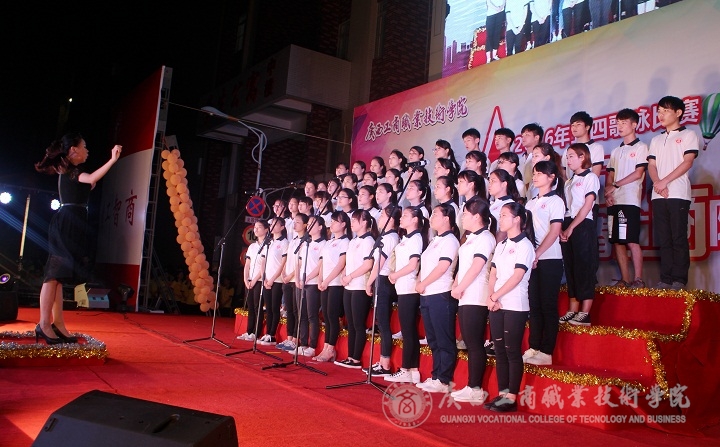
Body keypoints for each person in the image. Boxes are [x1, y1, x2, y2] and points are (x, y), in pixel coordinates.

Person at [34, 133, 121, 344]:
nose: (87, 150)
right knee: (53, 275)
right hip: (66, 223)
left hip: (73, 223)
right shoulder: (70, 170)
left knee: (59, 276)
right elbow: (90, 179)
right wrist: (112, 160)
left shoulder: (70, 171)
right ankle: (44, 324)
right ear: (73, 150)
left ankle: (58, 323)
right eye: (84, 146)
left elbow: (87, 183)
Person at [484, 202, 536, 412]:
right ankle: (502, 393)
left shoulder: (525, 245)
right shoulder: (501, 245)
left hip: (515, 304)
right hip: (496, 303)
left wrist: (496, 296)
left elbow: (517, 276)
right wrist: (491, 297)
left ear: (517, 219)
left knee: (512, 350)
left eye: (505, 215)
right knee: (499, 350)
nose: (501, 219)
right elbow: (493, 274)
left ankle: (511, 397)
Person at [647, 96, 699, 290]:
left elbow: (687, 162)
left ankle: (679, 279)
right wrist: (657, 183)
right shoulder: (656, 139)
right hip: (658, 194)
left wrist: (665, 181)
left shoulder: (688, 135)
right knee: (664, 239)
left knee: (678, 237)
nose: (661, 115)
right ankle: (666, 278)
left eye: (665, 111)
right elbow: (651, 165)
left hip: (677, 193)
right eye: (659, 111)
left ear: (678, 113)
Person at [450, 196, 497, 403]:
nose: (462, 218)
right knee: (469, 342)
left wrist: (460, 287)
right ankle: (471, 385)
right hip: (465, 294)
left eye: (465, 214)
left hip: (476, 294)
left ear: (477, 216)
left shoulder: (485, 237)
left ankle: (476, 388)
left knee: (474, 343)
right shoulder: (470, 238)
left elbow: (477, 266)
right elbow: (463, 266)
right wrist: (456, 284)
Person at [523, 161, 566, 366]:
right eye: (534, 173)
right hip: (532, 260)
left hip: (550, 259)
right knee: (534, 305)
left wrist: (537, 253)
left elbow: (555, 231)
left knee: (548, 305)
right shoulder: (530, 203)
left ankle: (547, 351)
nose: (535, 177)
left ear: (551, 177)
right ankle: (534, 346)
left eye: (540, 173)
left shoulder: (556, 201)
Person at [415, 204, 461, 393]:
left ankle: (444, 379)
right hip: (427, 293)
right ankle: (435, 375)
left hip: (440, 293)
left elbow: (443, 267)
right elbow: (425, 264)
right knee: (433, 339)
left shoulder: (450, 240)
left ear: (447, 218)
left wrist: (423, 283)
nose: (431, 218)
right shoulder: (435, 240)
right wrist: (419, 281)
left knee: (443, 338)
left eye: (435, 214)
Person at [604, 108, 649, 288]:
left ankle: (638, 278)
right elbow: (610, 175)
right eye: (618, 123)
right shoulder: (616, 151)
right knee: (617, 241)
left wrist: (615, 185)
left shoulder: (641, 147)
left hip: (630, 200)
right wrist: (608, 192)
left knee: (631, 240)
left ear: (634, 125)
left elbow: (638, 173)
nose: (620, 126)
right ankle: (625, 279)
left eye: (624, 123)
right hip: (615, 200)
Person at [559, 143, 600, 326]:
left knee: (584, 266)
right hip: (569, 222)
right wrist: (564, 228)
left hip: (583, 224)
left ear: (582, 157)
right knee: (571, 267)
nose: (568, 160)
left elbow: (587, 205)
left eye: (571, 156)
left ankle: (585, 312)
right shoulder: (569, 181)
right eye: (567, 157)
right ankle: (572, 310)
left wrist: (571, 228)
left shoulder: (590, 177)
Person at [385, 207, 427, 384]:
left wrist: (395, 274)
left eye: (405, 216)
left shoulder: (416, 238)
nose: (401, 218)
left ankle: (407, 369)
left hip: (409, 288)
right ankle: (411, 370)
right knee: (408, 330)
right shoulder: (405, 238)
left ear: (415, 219)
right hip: (402, 288)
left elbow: (412, 265)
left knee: (409, 331)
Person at [335, 210, 377, 368]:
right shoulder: (353, 241)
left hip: (359, 286)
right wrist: (344, 274)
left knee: (358, 323)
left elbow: (368, 265)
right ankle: (350, 356)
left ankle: (356, 358)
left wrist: (350, 276)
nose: (351, 223)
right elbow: (348, 261)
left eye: (355, 220)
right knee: (351, 323)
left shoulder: (368, 240)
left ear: (364, 222)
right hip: (349, 285)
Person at [364, 207, 401, 376]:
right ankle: (381, 361)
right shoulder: (387, 237)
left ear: (391, 220)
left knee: (384, 324)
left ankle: (385, 363)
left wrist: (369, 282)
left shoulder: (390, 237)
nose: (379, 220)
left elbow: (380, 263)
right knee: (381, 322)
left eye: (382, 217)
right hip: (382, 280)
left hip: (384, 280)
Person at [315, 211, 351, 362]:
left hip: (335, 283)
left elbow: (341, 264)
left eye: (336, 221)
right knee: (326, 316)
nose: (332, 223)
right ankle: (325, 347)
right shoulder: (328, 242)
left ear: (343, 224)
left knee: (332, 315)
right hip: (325, 283)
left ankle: (330, 348)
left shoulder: (345, 242)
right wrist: (320, 279)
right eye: (332, 221)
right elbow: (322, 263)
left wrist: (327, 280)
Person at [276, 214, 308, 351]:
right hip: (287, 279)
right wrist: (284, 273)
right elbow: (287, 259)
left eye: (298, 222)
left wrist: (290, 275)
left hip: (295, 279)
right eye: (294, 222)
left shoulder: (306, 241)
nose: (294, 224)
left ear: (305, 225)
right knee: (289, 310)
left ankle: (295, 338)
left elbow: (300, 263)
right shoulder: (293, 240)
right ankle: (289, 338)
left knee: (296, 310)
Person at [297, 216, 327, 357]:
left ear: (320, 227)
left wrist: (307, 277)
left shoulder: (323, 244)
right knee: (302, 314)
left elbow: (320, 266)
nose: (309, 226)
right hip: (302, 282)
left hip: (313, 283)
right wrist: (298, 278)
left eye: (312, 224)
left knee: (312, 315)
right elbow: (300, 262)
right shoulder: (306, 243)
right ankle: (303, 344)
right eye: (308, 223)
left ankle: (312, 346)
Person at [256, 218, 288, 347]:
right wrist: (264, 277)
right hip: (266, 279)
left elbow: (282, 263)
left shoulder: (284, 242)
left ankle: (272, 334)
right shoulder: (268, 242)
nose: (272, 226)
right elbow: (263, 261)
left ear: (282, 227)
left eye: (275, 224)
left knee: (275, 307)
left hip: (277, 280)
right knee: (268, 308)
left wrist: (272, 279)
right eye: (271, 224)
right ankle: (267, 333)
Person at [238, 220, 270, 341]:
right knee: (250, 306)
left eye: (259, 227)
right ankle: (249, 331)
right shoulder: (252, 246)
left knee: (258, 306)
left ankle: (256, 332)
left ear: (266, 230)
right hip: (250, 280)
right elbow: (247, 264)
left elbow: (264, 265)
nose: (255, 229)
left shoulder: (268, 245)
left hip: (259, 280)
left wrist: (255, 279)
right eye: (255, 227)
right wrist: (246, 279)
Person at [488, 169, 521, 241]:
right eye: (489, 181)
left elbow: (504, 232)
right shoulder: (492, 203)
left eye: (493, 181)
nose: (489, 185)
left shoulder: (509, 204)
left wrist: (495, 246)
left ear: (504, 184)